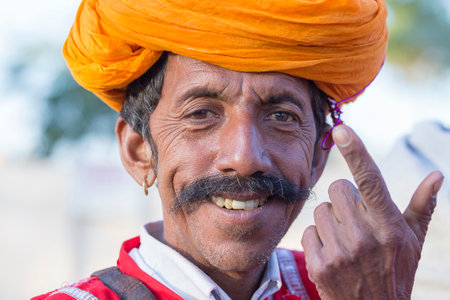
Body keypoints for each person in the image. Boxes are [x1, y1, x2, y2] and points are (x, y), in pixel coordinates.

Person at [33, 0, 444, 299]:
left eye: (281, 116)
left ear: (318, 156)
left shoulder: (352, 287)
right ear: (140, 151)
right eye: (201, 114)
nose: (245, 157)